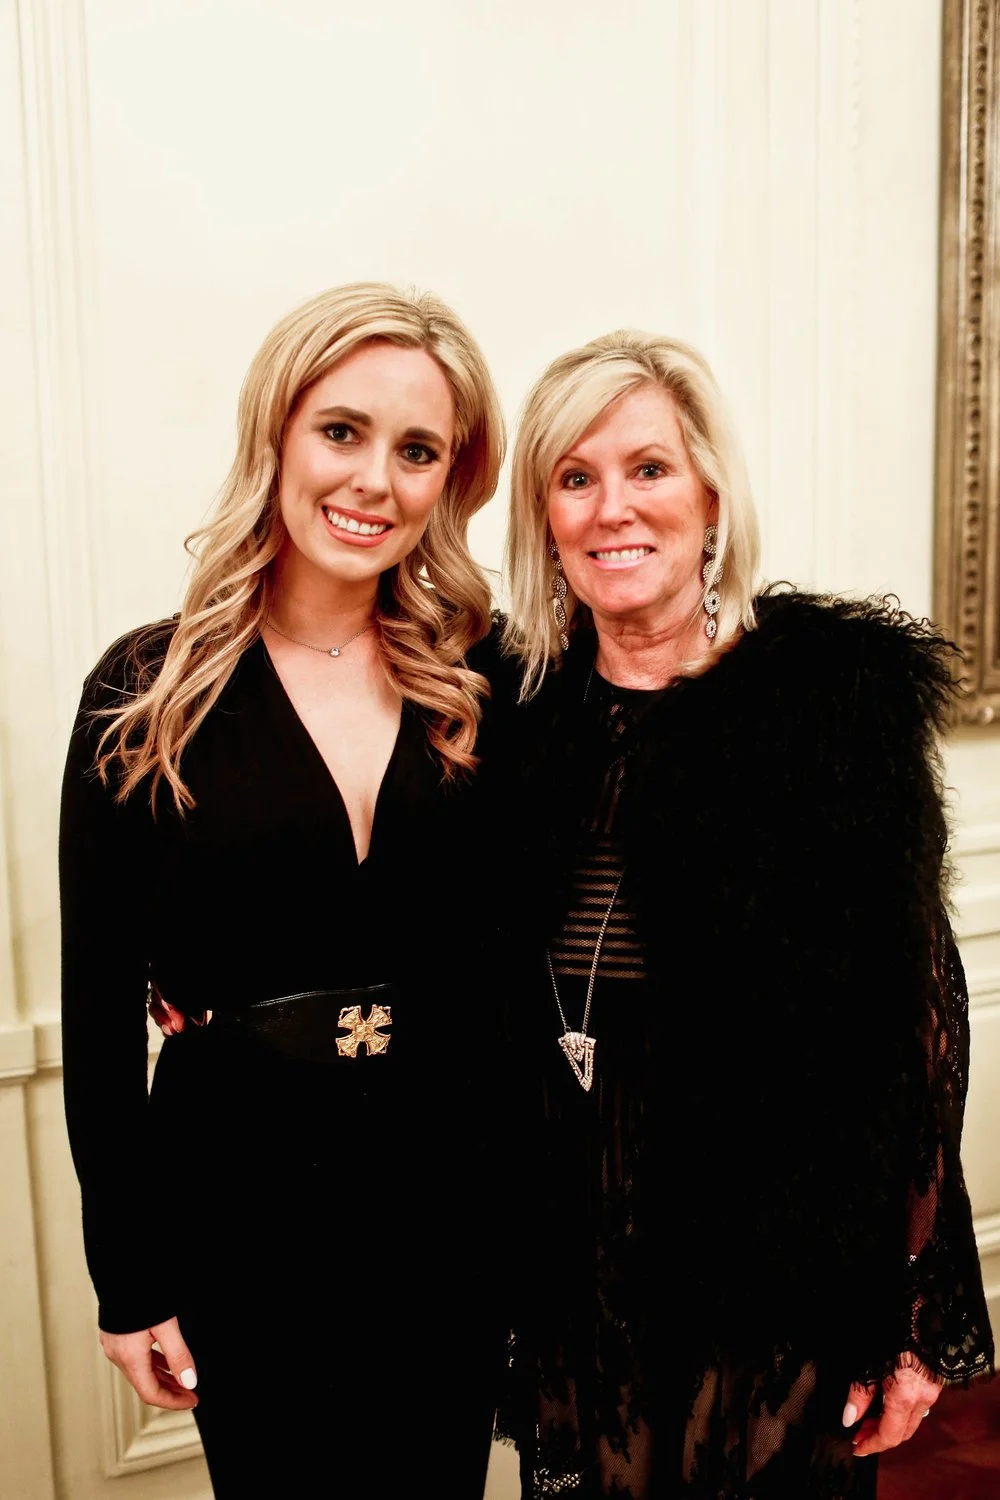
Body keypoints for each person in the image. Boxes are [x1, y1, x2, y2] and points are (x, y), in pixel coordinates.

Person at [492, 329, 995, 1498]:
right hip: (574, 1246)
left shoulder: (827, 709)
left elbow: (915, 1022)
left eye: (648, 468)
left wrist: (915, 1305)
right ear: (544, 517)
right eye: (575, 477)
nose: (612, 507)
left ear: (711, 494)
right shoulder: (510, 716)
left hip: (772, 1243)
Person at [59, 282, 510, 1498]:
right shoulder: (147, 691)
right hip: (237, 1196)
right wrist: (127, 1280)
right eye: (342, 431)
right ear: (277, 433)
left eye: (417, 450)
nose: (374, 480)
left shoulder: (487, 673)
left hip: (447, 1192)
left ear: (451, 478)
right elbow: (97, 1012)